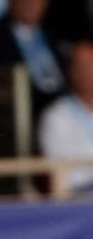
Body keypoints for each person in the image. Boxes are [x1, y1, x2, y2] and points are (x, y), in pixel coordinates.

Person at [38, 41, 93, 193]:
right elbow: (58, 169)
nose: (87, 72)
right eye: (81, 66)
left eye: (91, 65)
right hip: (77, 200)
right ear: (71, 71)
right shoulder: (55, 116)